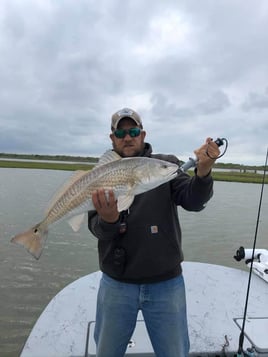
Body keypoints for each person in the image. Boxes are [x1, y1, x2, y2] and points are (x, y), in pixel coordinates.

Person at [88, 107, 220, 357]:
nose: (128, 137)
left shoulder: (166, 165)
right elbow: (97, 230)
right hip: (117, 284)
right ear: (112, 138)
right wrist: (109, 220)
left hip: (166, 284)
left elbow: (193, 200)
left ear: (143, 134)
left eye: (134, 131)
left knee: (174, 352)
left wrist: (203, 172)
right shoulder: (101, 174)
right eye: (121, 132)